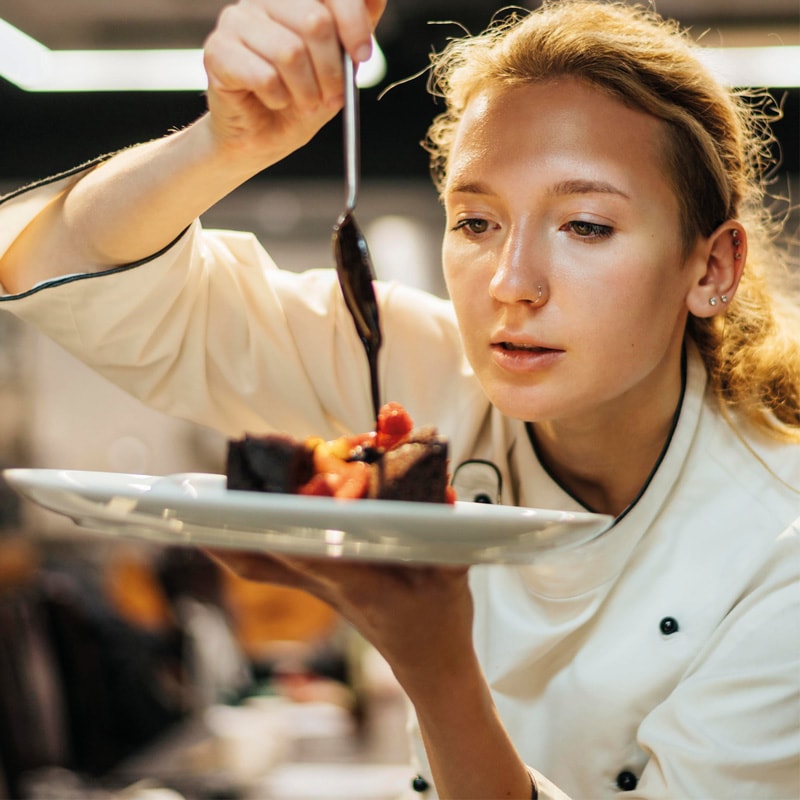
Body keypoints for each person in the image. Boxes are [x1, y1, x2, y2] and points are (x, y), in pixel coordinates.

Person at [0, 0, 798, 797]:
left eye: (586, 226)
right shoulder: (415, 366)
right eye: (477, 222)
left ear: (711, 268)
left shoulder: (779, 543)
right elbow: (65, 272)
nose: (512, 283)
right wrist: (223, 143)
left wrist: (436, 669)